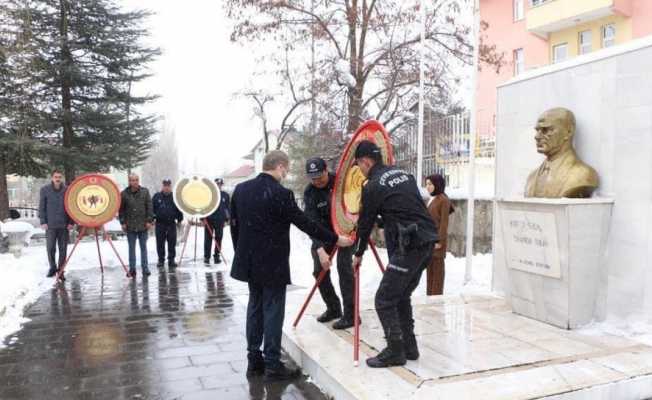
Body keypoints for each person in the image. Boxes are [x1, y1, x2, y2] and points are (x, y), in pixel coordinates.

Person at [230, 150, 353, 381]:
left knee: (255, 307)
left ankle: (253, 360)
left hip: (249, 262)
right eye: (285, 169)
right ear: (279, 166)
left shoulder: (241, 190)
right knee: (273, 310)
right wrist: (335, 239)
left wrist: (242, 253)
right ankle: (273, 364)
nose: (286, 173)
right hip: (272, 263)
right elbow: (305, 223)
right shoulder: (280, 193)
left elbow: (234, 226)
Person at [352, 140, 438, 368]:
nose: (360, 170)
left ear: (366, 161)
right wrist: (384, 218)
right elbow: (403, 206)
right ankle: (409, 347)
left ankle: (395, 351)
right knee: (400, 295)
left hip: (408, 245)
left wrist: (358, 252)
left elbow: (364, 223)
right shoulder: (404, 174)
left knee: (384, 298)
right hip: (427, 240)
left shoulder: (372, 186)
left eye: (359, 165)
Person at [303, 157, 356, 329]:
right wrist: (319, 248)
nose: (317, 181)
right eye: (313, 178)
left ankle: (351, 314)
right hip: (324, 234)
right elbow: (311, 223)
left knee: (344, 267)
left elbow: (355, 205)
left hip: (347, 230)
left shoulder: (341, 182)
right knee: (319, 271)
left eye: (320, 176)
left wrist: (350, 231)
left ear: (326, 170)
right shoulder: (310, 192)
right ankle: (333, 308)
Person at [525, 108, 598, 198]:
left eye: (546, 130)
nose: (537, 137)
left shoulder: (584, 175)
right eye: (537, 130)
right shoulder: (531, 178)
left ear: (568, 132)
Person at [38, 169, 74, 279]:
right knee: (50, 248)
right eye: (55, 177)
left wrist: (71, 222)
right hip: (50, 225)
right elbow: (41, 207)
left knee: (63, 249)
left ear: (61, 178)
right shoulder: (45, 190)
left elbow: (72, 207)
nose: (57, 179)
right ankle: (53, 268)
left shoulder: (67, 190)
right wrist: (43, 221)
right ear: (52, 178)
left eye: (59, 177)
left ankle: (61, 270)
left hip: (64, 225)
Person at [119, 174, 154, 278]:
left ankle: (145, 268)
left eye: (136, 180)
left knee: (143, 248)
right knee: (131, 249)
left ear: (138, 181)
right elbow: (121, 210)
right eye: (132, 180)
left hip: (143, 225)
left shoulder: (145, 191)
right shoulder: (124, 194)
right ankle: (132, 269)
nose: (134, 182)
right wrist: (123, 222)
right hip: (130, 226)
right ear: (129, 181)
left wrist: (149, 220)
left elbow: (149, 207)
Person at [425, 174, 453, 296]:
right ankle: (430, 297)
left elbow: (443, 224)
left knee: (437, 273)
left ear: (437, 184)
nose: (428, 187)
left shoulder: (443, 200)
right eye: (426, 184)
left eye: (430, 184)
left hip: (437, 242)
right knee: (430, 271)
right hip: (430, 240)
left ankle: (436, 299)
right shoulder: (432, 198)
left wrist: (439, 241)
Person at [152, 179, 183, 269]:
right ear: (162, 186)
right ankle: (161, 260)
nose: (166, 187)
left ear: (170, 186)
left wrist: (180, 220)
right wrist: (152, 218)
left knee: (172, 243)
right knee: (160, 243)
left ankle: (171, 260)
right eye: (165, 185)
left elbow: (179, 209)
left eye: (168, 186)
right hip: (160, 224)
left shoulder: (175, 197)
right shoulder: (157, 196)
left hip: (171, 224)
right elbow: (151, 208)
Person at [204, 178, 230, 265]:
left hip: (220, 220)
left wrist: (227, 219)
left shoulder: (225, 195)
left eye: (220, 184)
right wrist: (202, 218)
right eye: (217, 184)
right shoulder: (209, 194)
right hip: (209, 219)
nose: (218, 186)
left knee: (219, 238)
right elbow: (204, 206)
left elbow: (227, 208)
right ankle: (207, 257)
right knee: (208, 239)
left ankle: (216, 256)